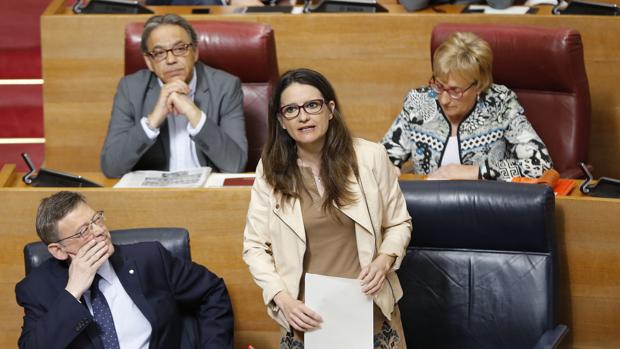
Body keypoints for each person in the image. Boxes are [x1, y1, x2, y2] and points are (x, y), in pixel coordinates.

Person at [242, 68, 412, 348]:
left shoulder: (370, 157)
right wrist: (282, 299)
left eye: (312, 105)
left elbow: (398, 223)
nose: (303, 116)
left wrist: (384, 261)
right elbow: (255, 246)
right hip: (305, 317)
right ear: (281, 121)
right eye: (291, 110)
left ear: (330, 109)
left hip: (369, 310)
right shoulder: (270, 170)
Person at [15, 191, 234, 349]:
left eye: (96, 219)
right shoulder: (37, 289)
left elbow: (212, 291)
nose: (99, 231)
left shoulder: (150, 259)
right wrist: (72, 292)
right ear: (58, 250)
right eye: (84, 231)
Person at [381, 31, 553, 181]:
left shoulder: (501, 104)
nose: (444, 99)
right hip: (427, 211)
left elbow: (540, 165)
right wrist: (387, 168)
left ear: (478, 85)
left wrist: (476, 172)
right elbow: (381, 157)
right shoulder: (419, 102)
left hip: (485, 211)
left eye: (455, 90)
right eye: (439, 86)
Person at [101, 14, 247, 178]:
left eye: (179, 49)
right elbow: (111, 167)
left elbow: (235, 164)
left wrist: (194, 113)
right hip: (154, 195)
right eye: (159, 53)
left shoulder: (225, 86)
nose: (171, 60)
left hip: (207, 193)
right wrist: (153, 121)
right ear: (149, 61)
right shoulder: (130, 88)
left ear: (195, 52)